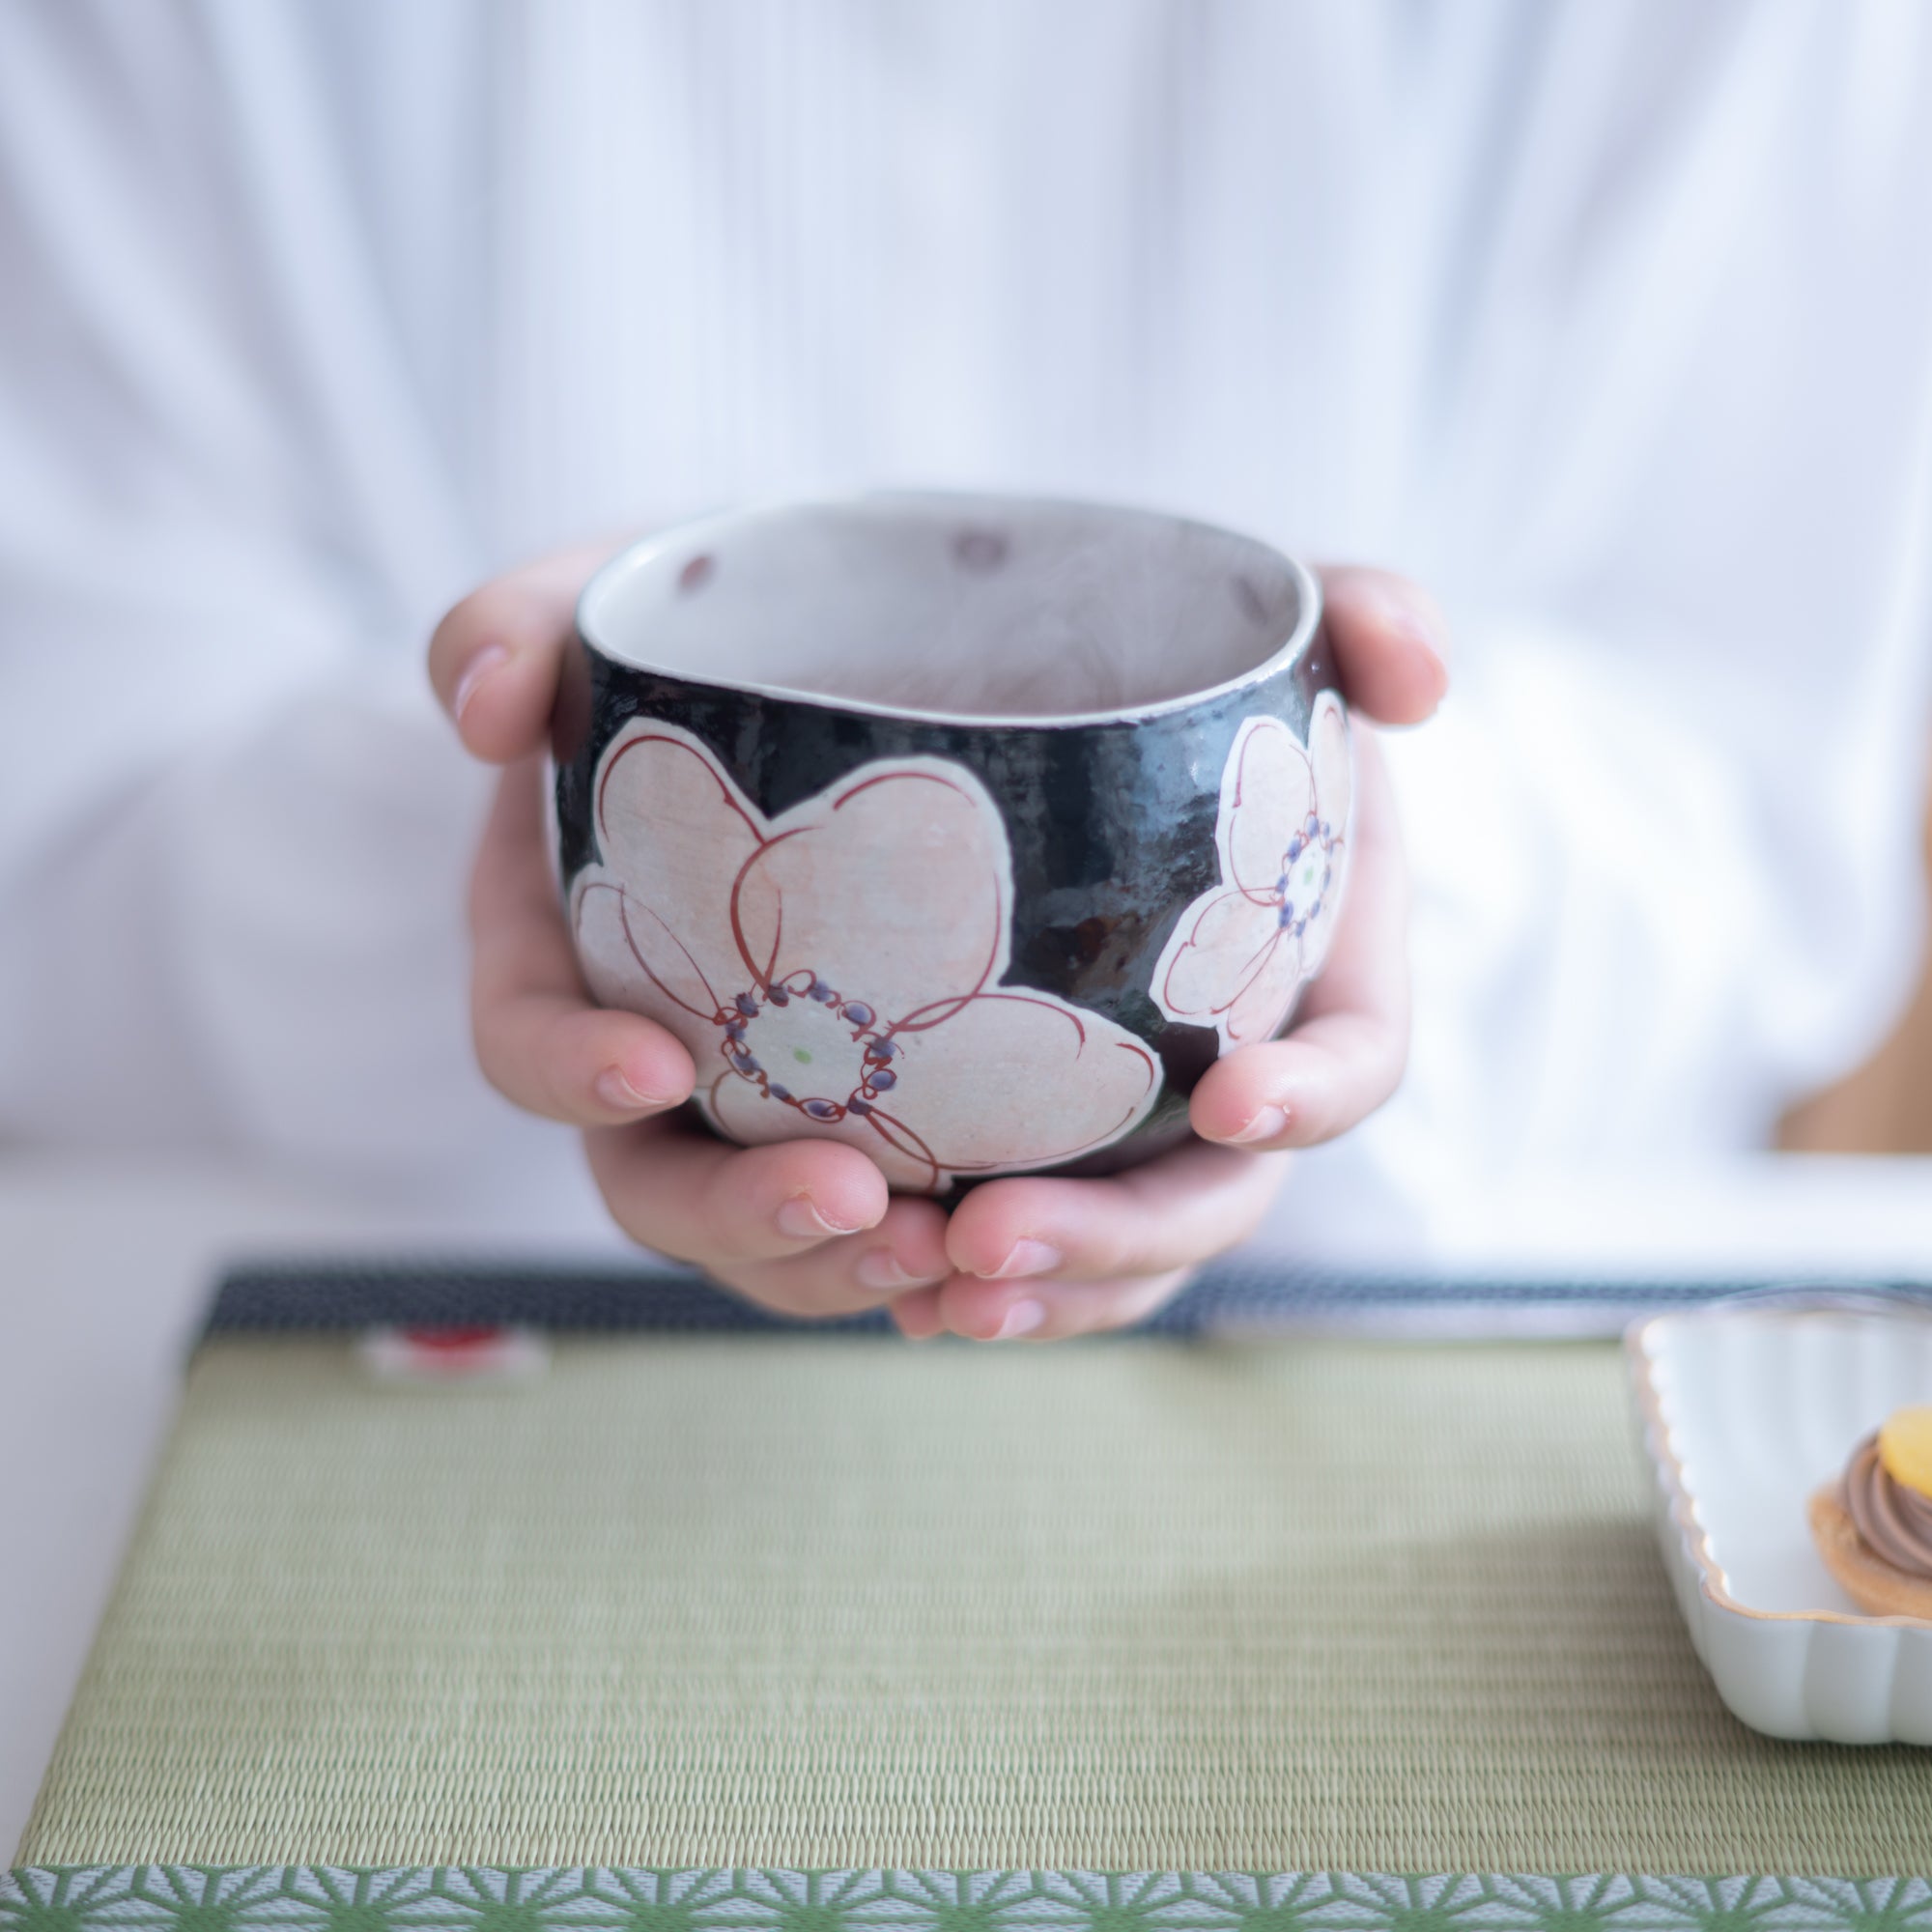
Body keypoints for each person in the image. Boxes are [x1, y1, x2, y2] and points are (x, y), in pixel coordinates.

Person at [3, 3, 1930, 1333]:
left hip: (1412, 1326)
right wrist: (505, 805)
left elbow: (1759, 814)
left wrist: (1350, 849)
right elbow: (56, 813)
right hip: (350, 1340)